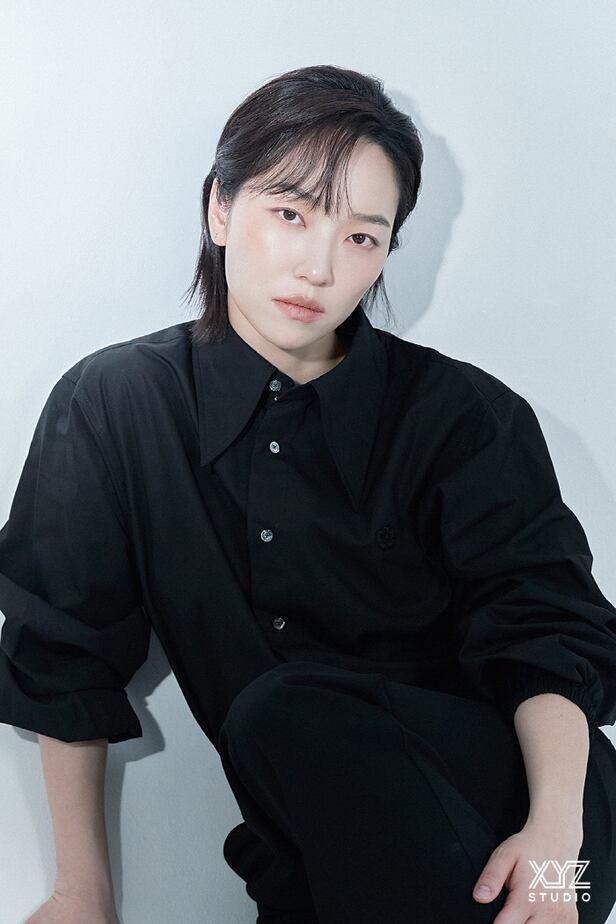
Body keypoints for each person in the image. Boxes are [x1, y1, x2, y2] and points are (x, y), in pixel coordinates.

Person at [1, 63, 616, 924]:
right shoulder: (116, 406)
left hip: (538, 824)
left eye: (362, 236)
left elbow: (546, 635)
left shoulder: (466, 416)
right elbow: (63, 655)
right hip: (318, 845)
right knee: (280, 722)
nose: (319, 266)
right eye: (290, 214)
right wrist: (82, 895)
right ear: (220, 209)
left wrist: (555, 855)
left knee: (282, 711)